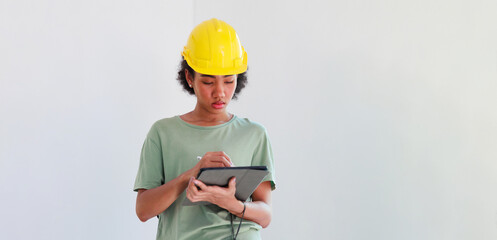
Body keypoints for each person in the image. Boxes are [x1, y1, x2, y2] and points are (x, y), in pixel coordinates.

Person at [133, 18, 276, 240]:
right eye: (208, 82)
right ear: (189, 77)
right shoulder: (163, 133)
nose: (220, 92)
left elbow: (266, 215)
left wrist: (233, 204)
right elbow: (143, 210)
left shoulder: (254, 134)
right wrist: (190, 175)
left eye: (229, 81)